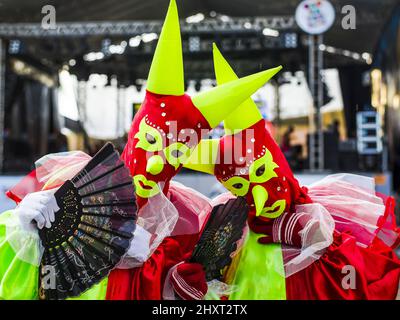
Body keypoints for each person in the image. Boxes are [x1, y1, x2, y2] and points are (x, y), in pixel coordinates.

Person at [0, 0, 280, 300]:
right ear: (135, 136)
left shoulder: (187, 223)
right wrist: (23, 234)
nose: (158, 164)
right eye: (150, 143)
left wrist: (184, 286)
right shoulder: (66, 186)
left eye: (175, 154)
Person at [182, 45, 400, 300]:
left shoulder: (320, 220)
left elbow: (357, 280)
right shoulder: (229, 227)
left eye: (261, 172)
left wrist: (309, 234)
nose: (260, 196)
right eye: (239, 186)